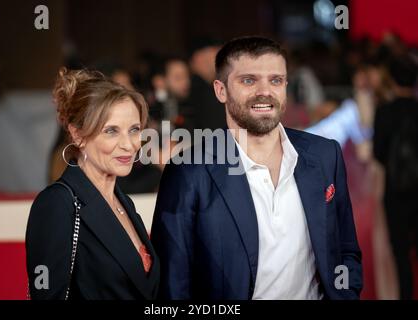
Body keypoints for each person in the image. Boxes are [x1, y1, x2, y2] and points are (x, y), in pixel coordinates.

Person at [151, 36, 362, 300]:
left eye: (275, 80)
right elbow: (173, 283)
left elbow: (345, 249)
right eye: (248, 80)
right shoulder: (189, 170)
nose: (265, 91)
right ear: (221, 90)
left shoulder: (324, 154)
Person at [26, 68, 159, 299]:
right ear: (78, 135)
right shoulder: (57, 204)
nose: (129, 145)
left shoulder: (123, 201)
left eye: (134, 130)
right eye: (111, 131)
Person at [373, 57, 418, 300]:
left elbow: (378, 152)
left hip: (396, 190)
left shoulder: (384, 112)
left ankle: (406, 295)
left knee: (400, 252)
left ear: (391, 80)